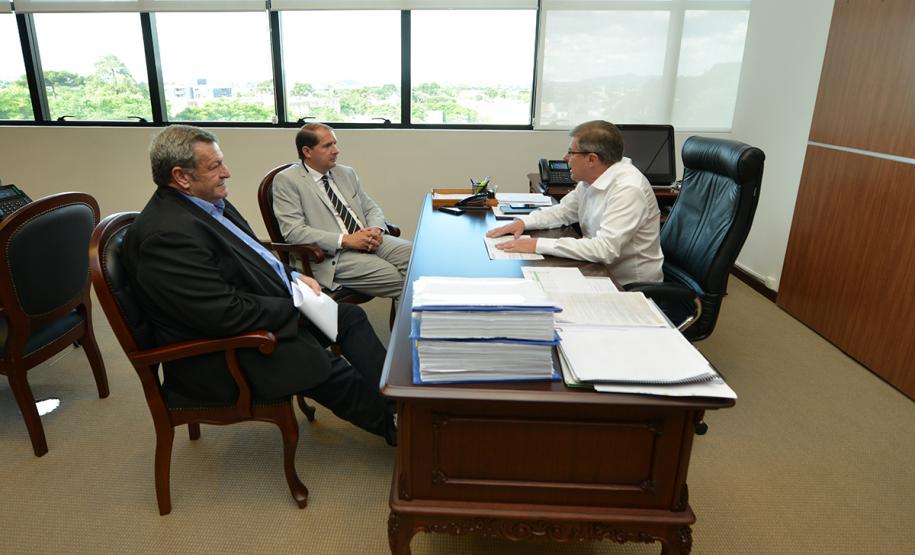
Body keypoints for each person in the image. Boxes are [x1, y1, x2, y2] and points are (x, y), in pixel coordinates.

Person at [124, 124, 395, 445]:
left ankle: (398, 403)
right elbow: (223, 315)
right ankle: (399, 432)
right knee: (323, 365)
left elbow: (251, 258)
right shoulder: (167, 237)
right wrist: (296, 304)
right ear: (181, 176)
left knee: (349, 318)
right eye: (214, 166)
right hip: (222, 352)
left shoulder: (205, 203)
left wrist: (294, 278)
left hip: (256, 309)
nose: (227, 172)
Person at [487, 120, 663, 285]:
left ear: (592, 159)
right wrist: (523, 222)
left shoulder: (628, 189)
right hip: (599, 271)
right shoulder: (591, 179)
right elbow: (562, 211)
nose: (565, 157)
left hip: (628, 286)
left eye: (571, 152)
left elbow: (605, 249)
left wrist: (536, 244)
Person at [272, 123, 411, 299]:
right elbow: (294, 232)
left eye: (335, 144)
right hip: (332, 255)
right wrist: (346, 240)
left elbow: (370, 207)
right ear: (307, 152)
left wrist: (376, 229)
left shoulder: (346, 173)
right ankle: (411, 327)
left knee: (417, 259)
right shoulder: (286, 180)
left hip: (368, 239)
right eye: (327, 146)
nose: (336, 150)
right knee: (404, 283)